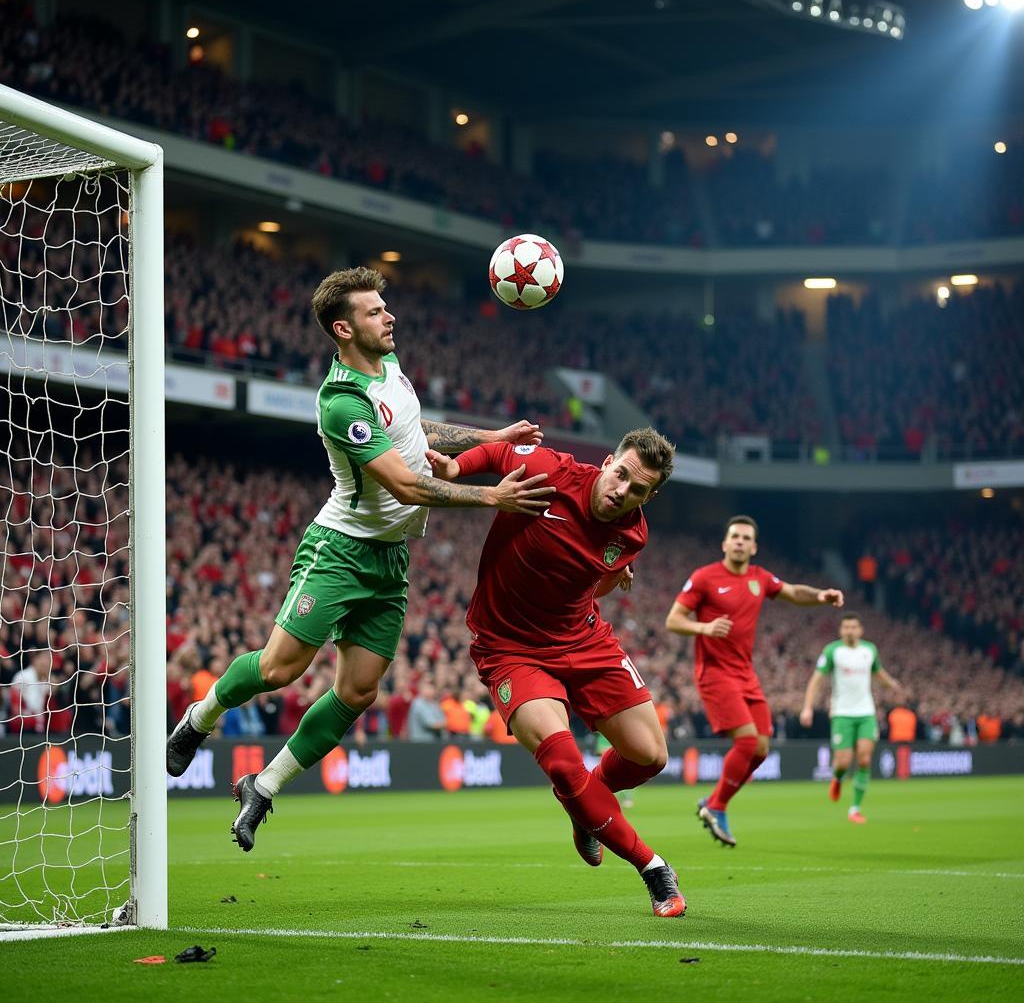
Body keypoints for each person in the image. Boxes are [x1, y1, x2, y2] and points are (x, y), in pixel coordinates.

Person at [166, 266, 555, 851]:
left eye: (385, 307)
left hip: (390, 560)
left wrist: (488, 438)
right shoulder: (339, 402)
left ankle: (263, 786)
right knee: (279, 671)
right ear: (343, 329)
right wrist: (491, 496)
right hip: (339, 551)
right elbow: (405, 484)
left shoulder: (390, 370)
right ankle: (198, 720)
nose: (389, 316)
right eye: (375, 312)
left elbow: (416, 431)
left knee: (358, 692)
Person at [426, 427, 686, 918]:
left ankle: (586, 806)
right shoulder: (552, 472)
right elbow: (501, 451)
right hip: (512, 648)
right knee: (565, 764)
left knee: (650, 757)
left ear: (649, 497)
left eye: (638, 490)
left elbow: (599, 582)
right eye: (621, 475)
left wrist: (614, 577)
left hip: (582, 638)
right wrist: (459, 469)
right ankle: (653, 869)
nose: (622, 492)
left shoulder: (633, 532)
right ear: (608, 461)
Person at [664, 515, 844, 847]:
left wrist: (821, 596)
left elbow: (792, 592)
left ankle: (714, 803)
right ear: (724, 543)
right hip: (715, 673)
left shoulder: (760, 578)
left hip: (747, 673)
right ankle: (716, 807)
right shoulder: (704, 577)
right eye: (734, 536)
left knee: (761, 749)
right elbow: (673, 619)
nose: (740, 542)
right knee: (747, 743)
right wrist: (703, 628)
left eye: (746, 538)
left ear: (754, 546)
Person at [799, 613, 904, 824]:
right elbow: (816, 680)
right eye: (846, 627)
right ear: (841, 630)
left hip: (866, 712)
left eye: (853, 627)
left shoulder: (869, 650)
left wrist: (892, 684)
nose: (849, 630)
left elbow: (878, 672)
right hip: (842, 713)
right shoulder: (832, 651)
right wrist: (807, 708)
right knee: (843, 762)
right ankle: (837, 778)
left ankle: (855, 808)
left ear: (860, 630)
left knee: (864, 758)